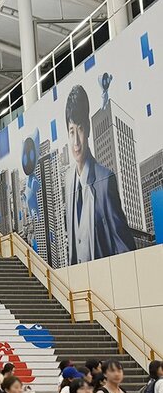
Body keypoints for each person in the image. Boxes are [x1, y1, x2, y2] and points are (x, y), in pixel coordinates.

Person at [63, 84, 135, 264]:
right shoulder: (68, 180)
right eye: (71, 131)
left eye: (80, 129)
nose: (76, 141)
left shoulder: (105, 180)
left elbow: (123, 246)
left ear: (87, 129)